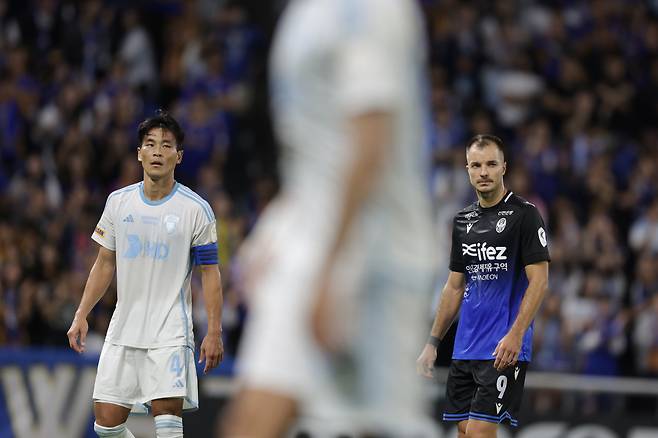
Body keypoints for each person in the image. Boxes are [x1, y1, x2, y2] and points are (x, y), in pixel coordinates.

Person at [222, 0, 438, 436]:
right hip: (310, 248)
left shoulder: (371, 9)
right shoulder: (302, 15)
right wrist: (278, 230)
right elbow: (314, 155)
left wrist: (332, 270)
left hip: (373, 259)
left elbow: (370, 146)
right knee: (248, 421)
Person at [66, 110, 224, 438]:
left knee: (167, 419)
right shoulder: (118, 203)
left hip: (170, 331)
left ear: (178, 157)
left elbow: (210, 273)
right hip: (124, 327)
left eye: (166, 146)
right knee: (106, 424)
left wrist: (215, 331)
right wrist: (81, 313)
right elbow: (104, 263)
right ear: (139, 153)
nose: (157, 151)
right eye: (150, 144)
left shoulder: (196, 210)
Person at [416, 134, 550, 438]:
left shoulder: (524, 215)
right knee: (465, 432)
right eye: (476, 165)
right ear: (467, 169)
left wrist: (516, 335)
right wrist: (432, 343)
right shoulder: (463, 221)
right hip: (465, 347)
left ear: (504, 167)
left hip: (504, 347)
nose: (484, 171)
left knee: (478, 432)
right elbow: (453, 288)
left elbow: (540, 282)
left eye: (491, 164)